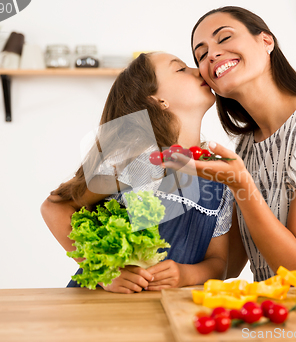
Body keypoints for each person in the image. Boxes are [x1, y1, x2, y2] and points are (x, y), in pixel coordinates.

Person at [168, 6, 296, 282]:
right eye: (202, 54)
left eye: (225, 38)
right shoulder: (244, 147)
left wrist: (241, 183)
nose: (213, 54)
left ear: (266, 41)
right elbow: (229, 265)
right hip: (278, 316)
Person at [40, 52, 233, 293]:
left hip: (165, 315)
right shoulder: (136, 157)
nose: (198, 70)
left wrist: (186, 274)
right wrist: (106, 272)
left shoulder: (218, 174)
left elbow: (218, 264)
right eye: (181, 69)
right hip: (98, 310)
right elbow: (54, 206)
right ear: (158, 100)